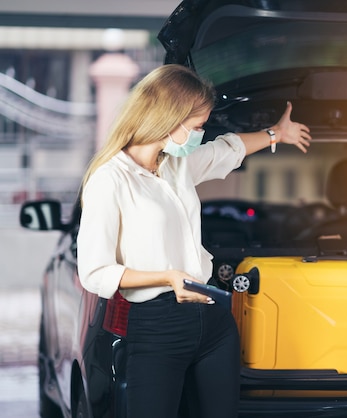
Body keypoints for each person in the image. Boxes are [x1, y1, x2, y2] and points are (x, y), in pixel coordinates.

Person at [76, 64, 311, 417]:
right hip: (158, 326)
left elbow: (227, 150)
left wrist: (276, 133)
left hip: (214, 322)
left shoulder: (174, 165)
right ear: (169, 120)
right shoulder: (110, 179)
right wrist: (167, 277)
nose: (202, 133)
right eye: (198, 126)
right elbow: (95, 272)